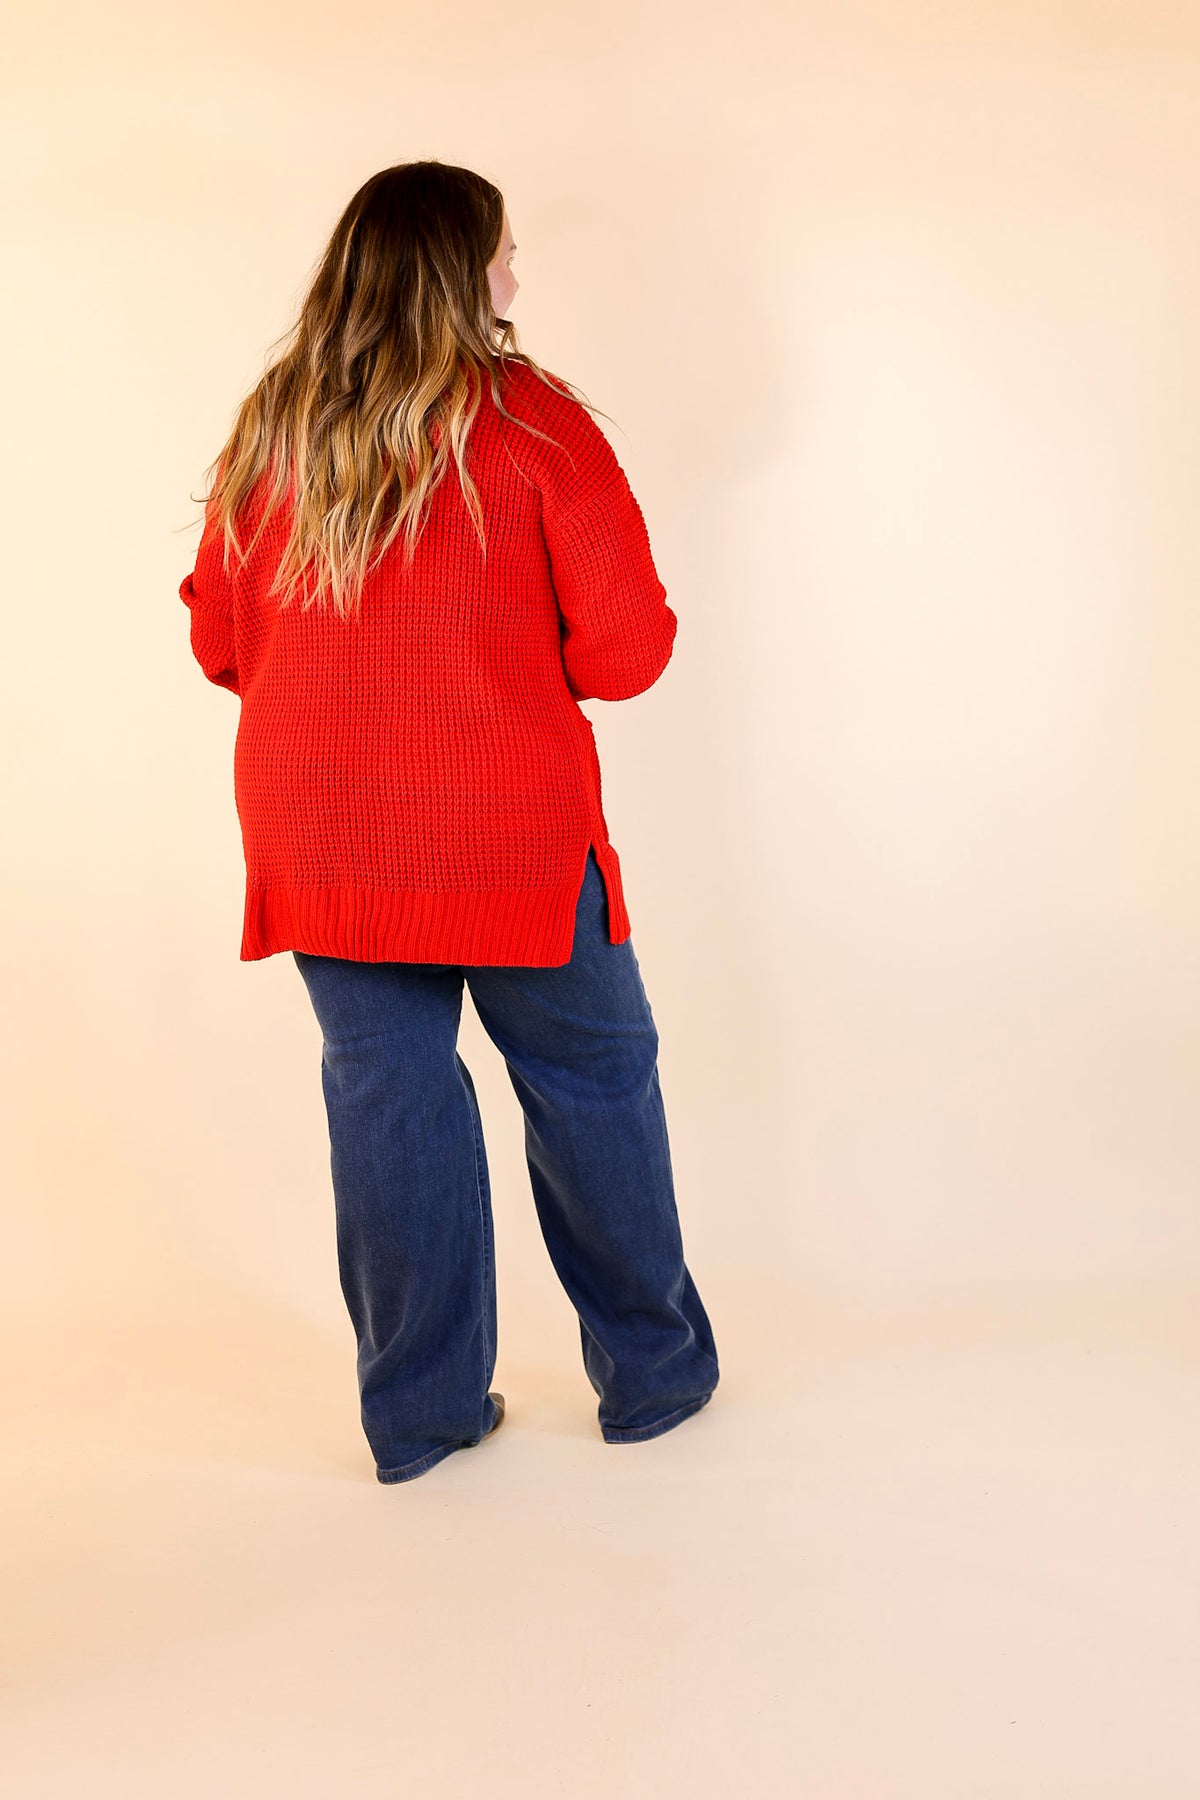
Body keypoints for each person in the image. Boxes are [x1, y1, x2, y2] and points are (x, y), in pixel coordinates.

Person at [178, 160, 719, 1484]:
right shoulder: (535, 427)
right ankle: (653, 1381)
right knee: (592, 1082)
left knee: (391, 1103)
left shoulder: (273, 429)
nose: (516, 275)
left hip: (323, 839)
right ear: (459, 272)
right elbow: (628, 653)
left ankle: (419, 1419)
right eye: (503, 253)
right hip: (510, 841)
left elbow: (218, 637)